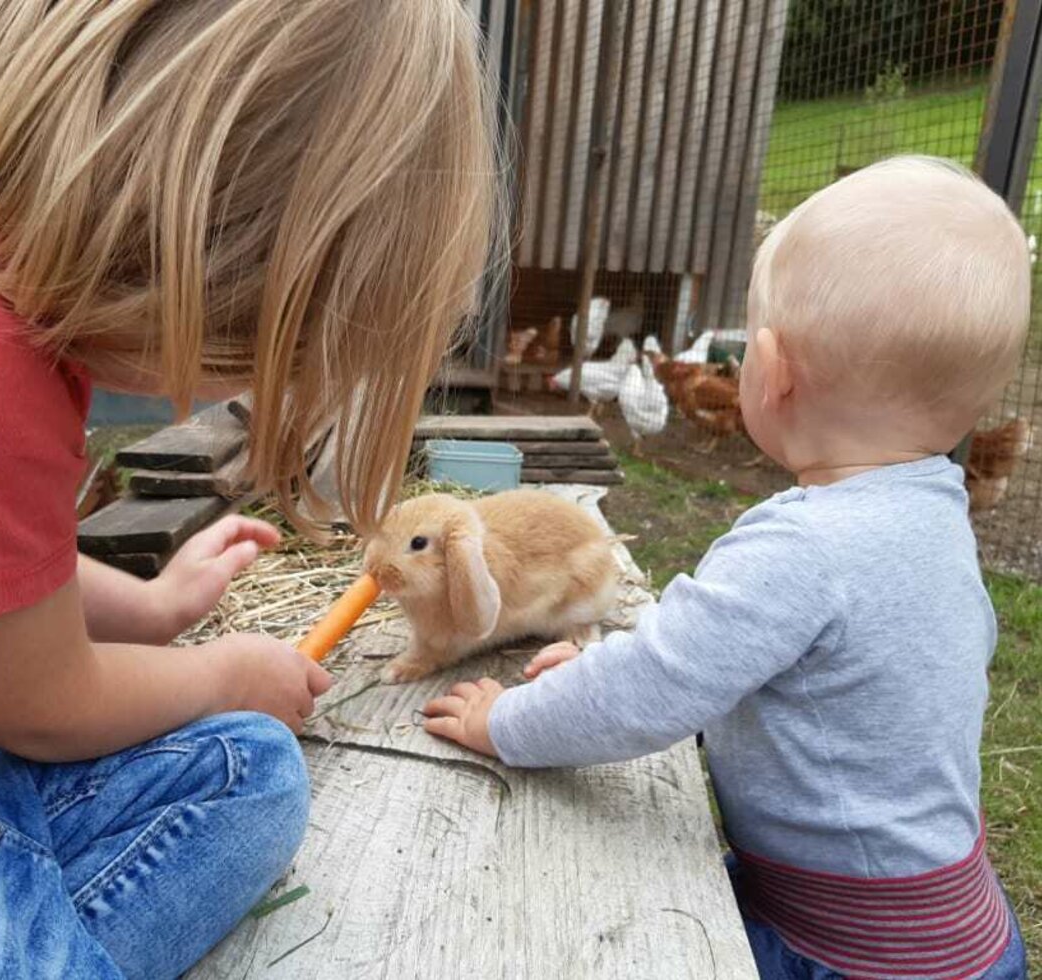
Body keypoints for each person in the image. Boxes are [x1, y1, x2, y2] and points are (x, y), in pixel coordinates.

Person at [0, 1, 500, 977]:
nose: (209, 387)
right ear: (201, 256)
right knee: (247, 763)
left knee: (247, 766)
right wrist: (226, 673)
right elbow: (45, 704)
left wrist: (149, 609)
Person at [424, 156, 1030, 980]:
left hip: (844, 952)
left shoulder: (802, 546)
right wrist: (602, 662)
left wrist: (504, 723)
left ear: (770, 372)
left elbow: (654, 688)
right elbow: (820, 683)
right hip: (960, 936)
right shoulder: (936, 518)